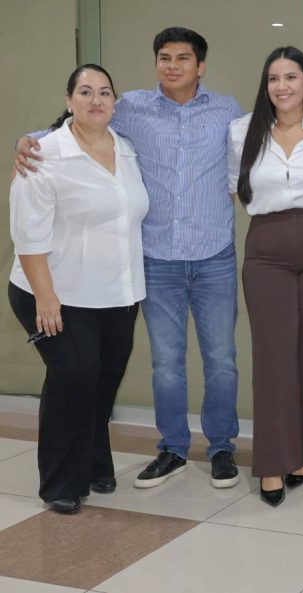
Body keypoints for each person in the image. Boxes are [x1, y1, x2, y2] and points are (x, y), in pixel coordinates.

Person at [16, 27, 245, 490]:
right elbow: (81, 121)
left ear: (201, 66)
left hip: (213, 255)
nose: (173, 65)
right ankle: (172, 448)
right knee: (166, 363)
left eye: (183, 58)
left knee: (222, 360)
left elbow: (263, 141)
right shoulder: (132, 108)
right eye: (165, 57)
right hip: (156, 258)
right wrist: (31, 138)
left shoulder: (227, 111)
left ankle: (221, 447)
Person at [8, 65, 148, 514]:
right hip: (55, 291)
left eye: (105, 92)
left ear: (114, 102)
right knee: (73, 376)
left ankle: (94, 461)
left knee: (103, 379)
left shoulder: (126, 149)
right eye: (85, 92)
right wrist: (45, 297)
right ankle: (61, 482)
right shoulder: (44, 155)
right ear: (69, 100)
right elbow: (28, 235)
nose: (96, 100)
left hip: (117, 292)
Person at [227, 47, 303, 507]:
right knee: (273, 357)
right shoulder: (241, 132)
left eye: (291, 77)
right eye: (273, 78)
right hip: (267, 250)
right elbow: (234, 188)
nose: (282, 86)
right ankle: (272, 462)